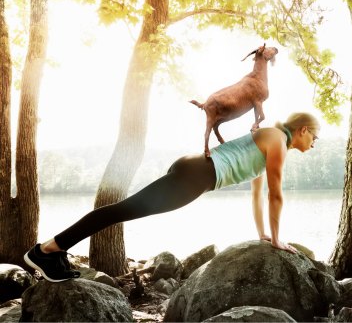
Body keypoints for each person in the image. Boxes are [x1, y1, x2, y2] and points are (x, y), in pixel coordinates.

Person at [24, 112, 320, 282]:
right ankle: (46, 251)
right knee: (120, 211)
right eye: (314, 138)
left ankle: (52, 250)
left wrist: (265, 234)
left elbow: (260, 193)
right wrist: (279, 240)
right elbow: (276, 195)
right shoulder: (278, 140)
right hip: (198, 176)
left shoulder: (270, 140)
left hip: (195, 171)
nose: (314, 144)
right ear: (303, 130)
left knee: (121, 210)